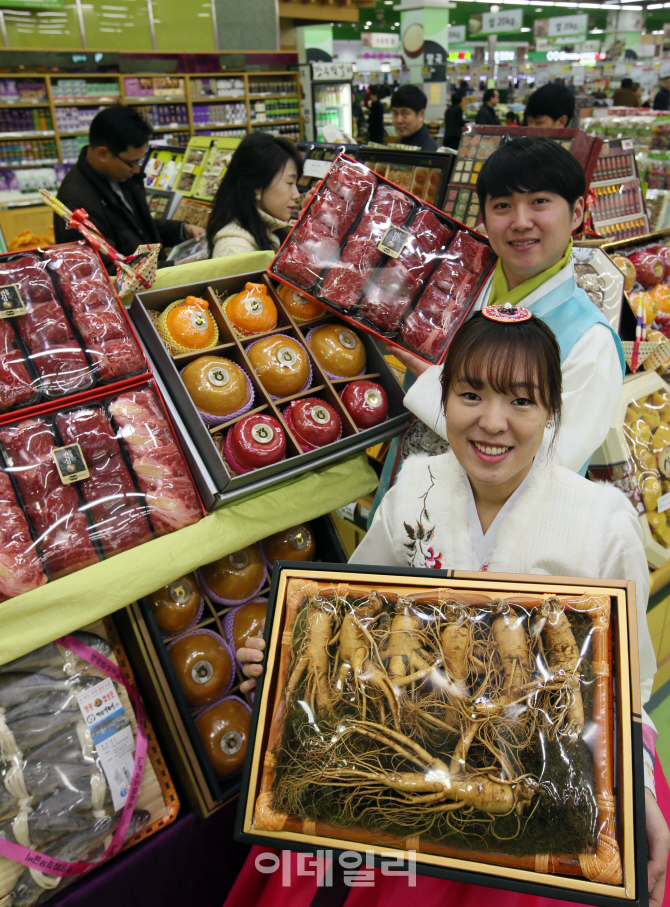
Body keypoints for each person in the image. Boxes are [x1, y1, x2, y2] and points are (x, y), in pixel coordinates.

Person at [235, 311, 670, 907]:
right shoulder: (416, 485)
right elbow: (351, 602)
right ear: (444, 398)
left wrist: (636, 788)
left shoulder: (601, 524)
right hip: (409, 766)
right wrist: (288, 648)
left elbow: (629, 685)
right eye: (471, 394)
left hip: (533, 788)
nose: (493, 423)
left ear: (553, 411)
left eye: (522, 400)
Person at [394, 136, 625, 479]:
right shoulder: (455, 284)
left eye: (539, 202)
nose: (520, 222)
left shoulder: (589, 341)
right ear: (484, 218)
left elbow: (551, 465)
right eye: (502, 205)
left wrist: (431, 384)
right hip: (405, 492)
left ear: (576, 213)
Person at [55, 105, 203, 268]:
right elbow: (104, 269)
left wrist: (181, 230)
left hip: (151, 282)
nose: (137, 170)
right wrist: (173, 267)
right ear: (103, 154)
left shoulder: (123, 176)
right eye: (132, 163)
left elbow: (138, 228)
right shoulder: (75, 204)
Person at [206, 132, 303, 259]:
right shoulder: (234, 251)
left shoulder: (269, 230)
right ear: (258, 185)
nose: (296, 195)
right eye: (290, 183)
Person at [390, 85, 437, 151]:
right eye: (395, 114)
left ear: (421, 115)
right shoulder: (401, 142)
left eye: (405, 114)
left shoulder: (427, 152)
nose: (399, 120)